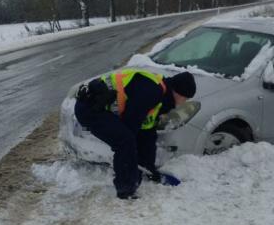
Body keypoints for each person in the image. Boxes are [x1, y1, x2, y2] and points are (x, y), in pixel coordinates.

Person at [74, 69, 196, 199]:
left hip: (99, 108)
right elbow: (130, 126)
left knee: (134, 139)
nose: (184, 101)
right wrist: (132, 167)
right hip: (90, 109)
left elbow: (147, 131)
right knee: (125, 141)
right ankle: (125, 190)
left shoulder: (160, 95)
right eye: (185, 97)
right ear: (176, 92)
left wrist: (148, 167)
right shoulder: (152, 92)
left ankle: (138, 172)